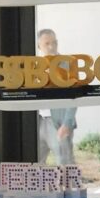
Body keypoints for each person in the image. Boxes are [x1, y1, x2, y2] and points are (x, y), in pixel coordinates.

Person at [35, 28, 77, 166]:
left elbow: (73, 96)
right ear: (39, 46)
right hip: (38, 121)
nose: (51, 46)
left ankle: (68, 183)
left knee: (65, 163)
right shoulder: (34, 66)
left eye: (54, 43)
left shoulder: (68, 63)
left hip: (59, 122)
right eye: (47, 43)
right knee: (35, 163)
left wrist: (67, 123)